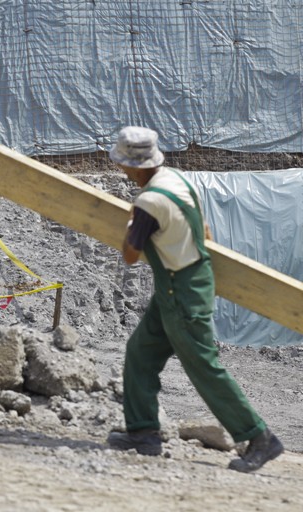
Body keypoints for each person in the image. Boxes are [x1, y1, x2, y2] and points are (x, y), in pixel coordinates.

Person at [105, 126, 284, 473]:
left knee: (204, 366)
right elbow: (205, 231)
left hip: (180, 291)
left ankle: (259, 436)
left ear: (135, 166)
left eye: (122, 163)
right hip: (185, 282)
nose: (120, 167)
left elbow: (130, 254)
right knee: (140, 352)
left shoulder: (149, 203)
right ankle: (143, 432)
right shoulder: (176, 179)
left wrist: (129, 224)